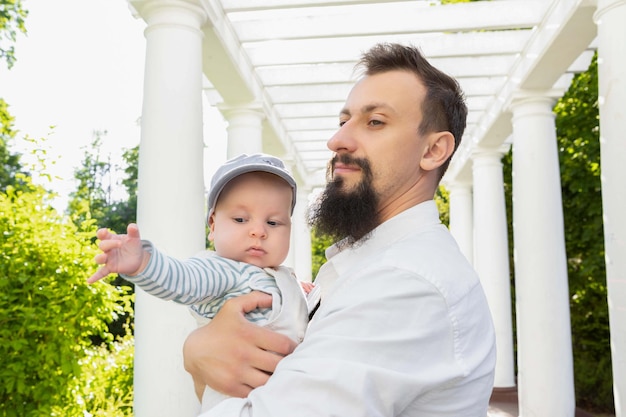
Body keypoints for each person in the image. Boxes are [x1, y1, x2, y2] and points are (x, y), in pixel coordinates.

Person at [183, 43, 497, 417]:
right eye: (344, 120)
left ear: (433, 151)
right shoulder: (370, 264)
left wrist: (196, 354)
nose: (337, 141)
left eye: (375, 122)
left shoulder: (403, 284)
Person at [87, 153, 319, 411]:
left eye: (273, 222)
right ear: (212, 224)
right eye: (240, 219)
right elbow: (182, 279)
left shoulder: (283, 276)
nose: (258, 231)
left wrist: (299, 291)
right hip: (237, 405)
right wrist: (143, 263)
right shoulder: (221, 269)